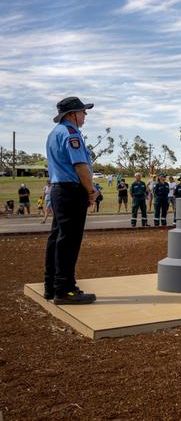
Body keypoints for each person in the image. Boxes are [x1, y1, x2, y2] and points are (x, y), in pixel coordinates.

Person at [44, 96, 97, 304]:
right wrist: (90, 190)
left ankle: (51, 285)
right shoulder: (71, 132)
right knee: (69, 241)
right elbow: (81, 167)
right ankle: (65, 289)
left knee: (57, 238)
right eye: (83, 111)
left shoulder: (54, 133)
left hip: (58, 189)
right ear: (72, 114)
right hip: (71, 191)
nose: (85, 115)